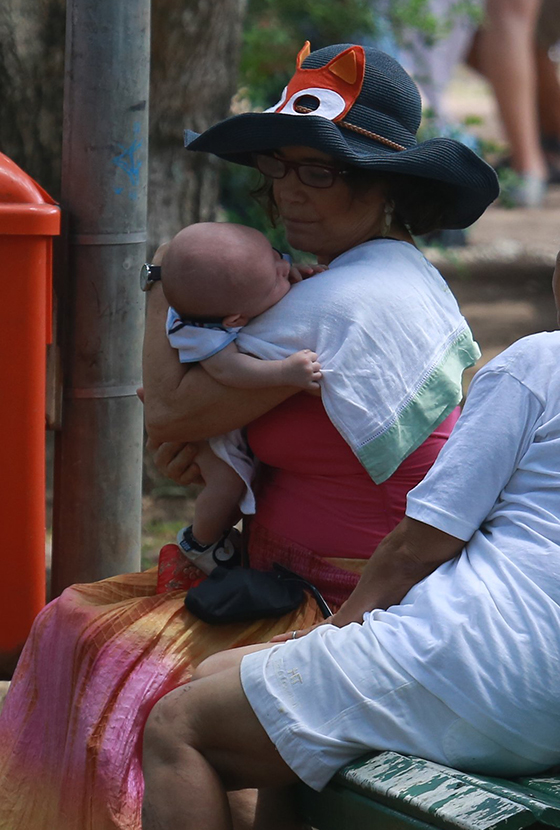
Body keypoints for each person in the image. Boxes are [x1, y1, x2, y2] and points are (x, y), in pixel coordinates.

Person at [0, 42, 498, 830]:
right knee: (78, 628)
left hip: (349, 606)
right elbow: (200, 430)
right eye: (279, 169)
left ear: (387, 185)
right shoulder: (391, 272)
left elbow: (164, 412)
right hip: (286, 579)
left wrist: (163, 270)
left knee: (109, 662)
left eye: (320, 172)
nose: (289, 194)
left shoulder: (345, 299)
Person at [141, 253, 560, 830]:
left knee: (176, 726)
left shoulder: (539, 362)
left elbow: (419, 545)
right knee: (224, 678)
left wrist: (339, 634)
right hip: (530, 694)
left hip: (484, 662)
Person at [161, 221, 322, 571]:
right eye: (278, 279)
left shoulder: (217, 296)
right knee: (227, 485)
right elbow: (229, 371)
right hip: (211, 429)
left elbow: (262, 276)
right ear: (236, 319)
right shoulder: (201, 333)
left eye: (275, 256)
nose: (285, 266)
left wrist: (288, 272)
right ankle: (199, 542)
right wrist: (285, 373)